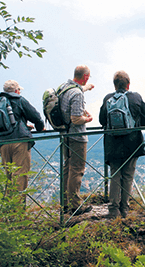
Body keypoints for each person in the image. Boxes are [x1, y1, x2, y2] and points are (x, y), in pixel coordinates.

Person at [99, 70, 145, 218]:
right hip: (132, 143)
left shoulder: (108, 99)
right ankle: (124, 209)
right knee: (128, 175)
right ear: (128, 84)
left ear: (114, 85)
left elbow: (102, 121)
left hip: (112, 143)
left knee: (115, 174)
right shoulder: (136, 97)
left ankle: (113, 210)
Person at [0, 80, 45, 195]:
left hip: (2, 142)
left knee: (8, 178)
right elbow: (36, 117)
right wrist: (39, 128)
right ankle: (17, 211)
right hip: (19, 142)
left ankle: (8, 209)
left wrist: (23, 125)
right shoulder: (19, 100)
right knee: (20, 177)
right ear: (17, 91)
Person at [59, 65, 94, 215]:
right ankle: (75, 205)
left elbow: (78, 90)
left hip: (65, 135)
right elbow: (76, 119)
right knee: (77, 170)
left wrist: (87, 87)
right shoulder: (77, 94)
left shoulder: (63, 88)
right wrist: (88, 119)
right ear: (85, 77)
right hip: (77, 137)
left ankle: (65, 204)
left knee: (67, 169)